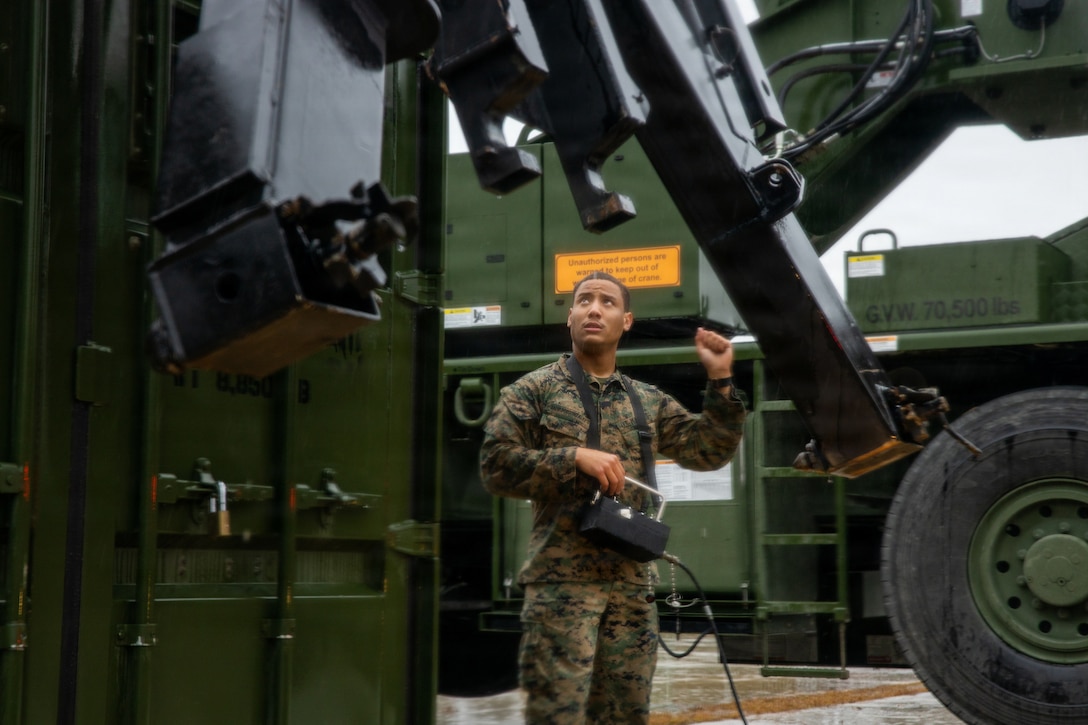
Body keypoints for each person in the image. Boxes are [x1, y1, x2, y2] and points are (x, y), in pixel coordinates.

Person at [479, 270, 746, 724]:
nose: (594, 309)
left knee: (626, 715)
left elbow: (708, 451)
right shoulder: (533, 391)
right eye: (584, 300)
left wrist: (720, 379)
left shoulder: (647, 401)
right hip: (561, 588)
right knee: (555, 714)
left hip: (630, 590)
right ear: (570, 318)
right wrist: (572, 457)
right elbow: (495, 467)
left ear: (626, 321)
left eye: (607, 302)